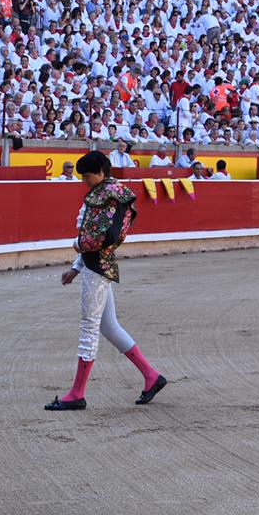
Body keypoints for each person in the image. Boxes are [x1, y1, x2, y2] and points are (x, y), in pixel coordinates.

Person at [45, 151, 167, 411]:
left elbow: (107, 237)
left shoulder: (107, 195)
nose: (84, 181)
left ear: (100, 172)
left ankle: (77, 393)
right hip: (97, 264)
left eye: (87, 176)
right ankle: (151, 376)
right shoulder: (110, 192)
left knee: (89, 327)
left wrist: (79, 245)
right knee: (109, 327)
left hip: (97, 267)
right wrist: (76, 267)